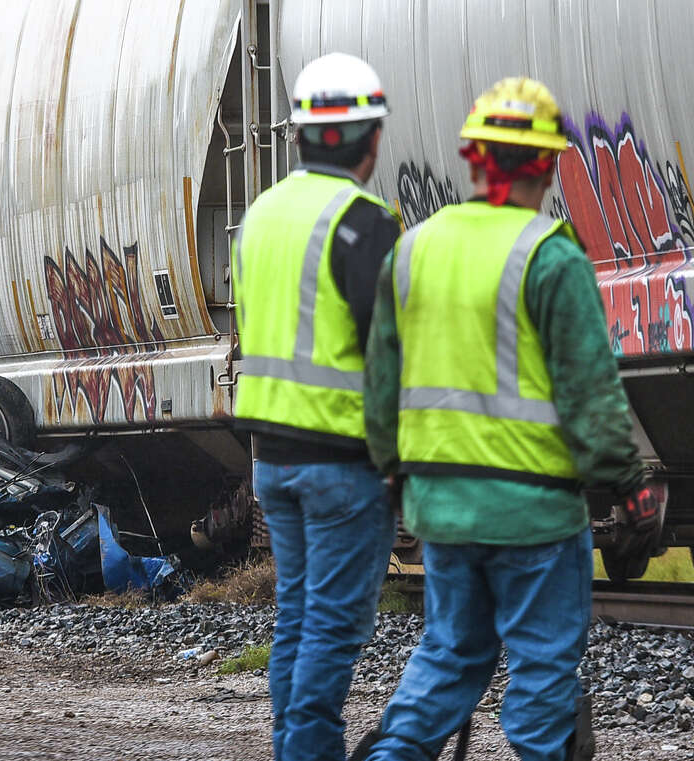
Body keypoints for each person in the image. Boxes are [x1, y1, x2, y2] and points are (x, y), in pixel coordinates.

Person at [359, 78, 653, 761]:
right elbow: (591, 395)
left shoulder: (413, 250)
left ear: (473, 160)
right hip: (536, 517)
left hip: (442, 509)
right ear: (548, 166)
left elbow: (378, 386)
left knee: (450, 653)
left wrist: (394, 471)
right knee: (543, 665)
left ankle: (391, 754)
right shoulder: (550, 254)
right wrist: (629, 484)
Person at [232, 52, 399, 761]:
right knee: (331, 628)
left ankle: (292, 749)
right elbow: (391, 355)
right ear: (373, 139)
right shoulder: (365, 224)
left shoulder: (259, 216)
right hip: (342, 463)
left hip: (273, 459)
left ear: (297, 136)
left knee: (297, 621)